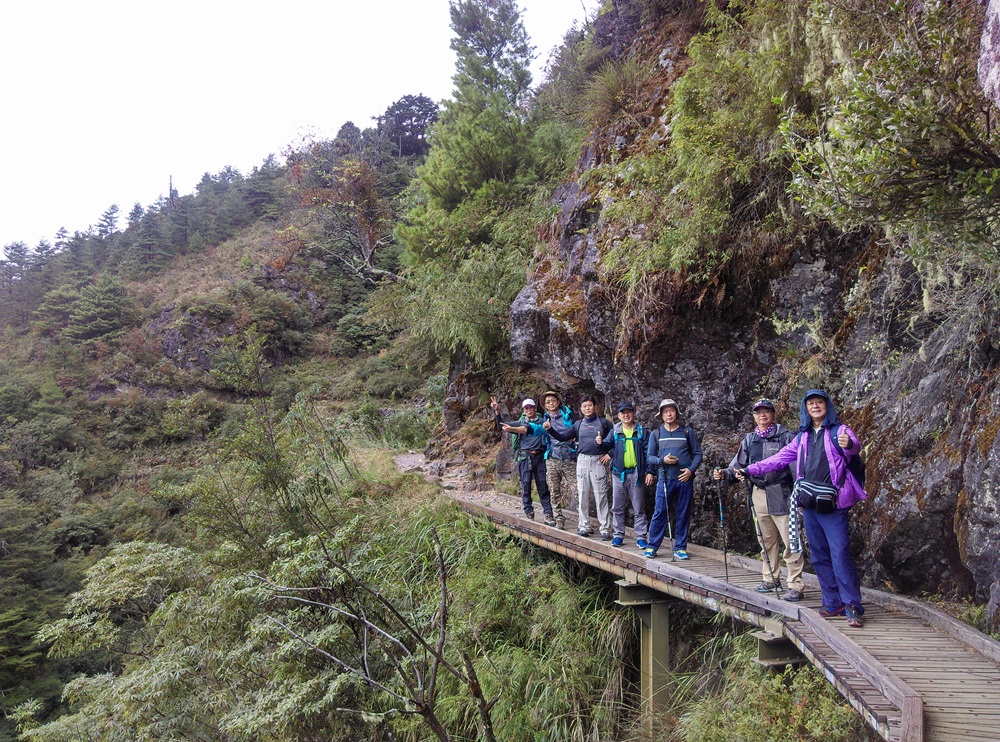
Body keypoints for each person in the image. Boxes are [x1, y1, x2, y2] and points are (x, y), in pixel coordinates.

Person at [743, 389, 867, 628]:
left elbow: (854, 447)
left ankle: (853, 605)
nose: (815, 407)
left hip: (834, 503)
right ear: (806, 410)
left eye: (819, 403)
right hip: (810, 503)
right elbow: (778, 459)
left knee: (840, 553)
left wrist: (850, 444)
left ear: (827, 406)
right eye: (811, 404)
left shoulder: (839, 431)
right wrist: (750, 470)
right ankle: (832, 603)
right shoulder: (802, 438)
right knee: (819, 556)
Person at [713, 399, 804, 601]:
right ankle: (770, 578)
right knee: (766, 540)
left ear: (773, 414)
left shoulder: (787, 436)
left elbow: (797, 468)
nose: (762, 415)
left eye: (766, 411)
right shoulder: (750, 440)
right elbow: (738, 465)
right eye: (758, 412)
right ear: (754, 416)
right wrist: (725, 474)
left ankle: (795, 585)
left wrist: (800, 495)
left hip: (783, 493)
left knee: (791, 541)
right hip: (759, 493)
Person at [545, 393, 613, 539]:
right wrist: (550, 429)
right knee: (582, 494)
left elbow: (616, 440)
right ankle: (584, 525)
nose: (587, 408)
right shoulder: (578, 424)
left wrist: (610, 454)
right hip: (581, 460)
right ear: (581, 409)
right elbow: (563, 437)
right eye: (584, 406)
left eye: (590, 405)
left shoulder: (604, 423)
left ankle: (605, 528)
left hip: (598, 460)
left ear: (595, 406)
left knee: (601, 495)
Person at [644, 399, 702, 560]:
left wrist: (691, 470)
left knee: (683, 513)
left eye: (671, 411)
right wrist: (663, 461)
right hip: (665, 479)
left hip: (684, 479)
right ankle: (652, 546)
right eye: (665, 411)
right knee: (660, 512)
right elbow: (649, 457)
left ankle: (680, 547)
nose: (669, 414)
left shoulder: (686, 432)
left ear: (676, 413)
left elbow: (697, 453)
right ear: (661, 415)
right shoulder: (656, 434)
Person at [491, 396, 557, 526]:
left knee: (543, 486)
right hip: (524, 458)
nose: (528, 410)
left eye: (530, 407)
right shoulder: (520, 422)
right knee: (525, 485)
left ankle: (548, 513)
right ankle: (528, 511)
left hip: (539, 457)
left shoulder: (543, 421)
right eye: (526, 408)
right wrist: (497, 412)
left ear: (535, 408)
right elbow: (502, 425)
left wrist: (512, 430)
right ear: (523, 410)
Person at [607, 401, 650, 548]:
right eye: (623, 413)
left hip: (636, 474)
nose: (626, 415)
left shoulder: (641, 431)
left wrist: (649, 471)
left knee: (639, 507)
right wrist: (600, 443)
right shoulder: (614, 431)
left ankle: (641, 536)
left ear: (633, 413)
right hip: (619, 474)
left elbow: (647, 452)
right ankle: (618, 535)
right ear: (619, 415)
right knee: (617, 507)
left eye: (629, 412)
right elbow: (608, 445)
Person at [540, 390, 577, 530]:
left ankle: (583, 520)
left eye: (553, 400)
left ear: (558, 401)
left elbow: (577, 429)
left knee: (577, 489)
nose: (551, 403)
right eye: (547, 402)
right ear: (545, 405)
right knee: (554, 490)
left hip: (569, 456)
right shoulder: (544, 418)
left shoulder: (568, 415)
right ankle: (558, 518)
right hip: (552, 457)